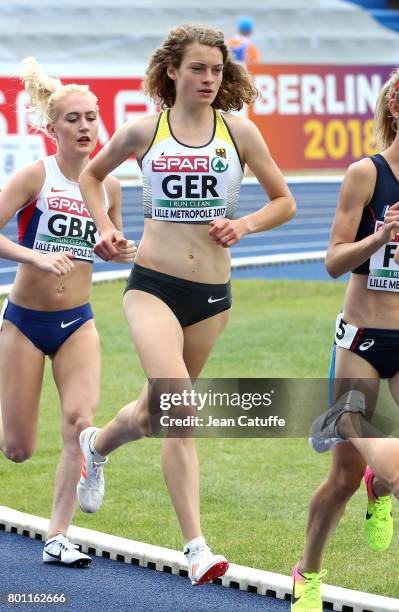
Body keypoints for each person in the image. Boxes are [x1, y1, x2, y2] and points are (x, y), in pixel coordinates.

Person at [77, 23, 296, 586]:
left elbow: (285, 201)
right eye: (197, 68)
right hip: (152, 286)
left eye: (217, 70)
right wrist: (104, 227)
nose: (208, 79)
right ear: (172, 70)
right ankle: (196, 546)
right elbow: (92, 175)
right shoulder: (143, 131)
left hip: (213, 300)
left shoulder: (239, 133)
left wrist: (243, 223)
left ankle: (97, 445)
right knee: (181, 409)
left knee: (155, 414)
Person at [0, 57, 135, 567]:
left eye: (91, 117)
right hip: (25, 323)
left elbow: (110, 244)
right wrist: (32, 255)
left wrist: (118, 250)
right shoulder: (36, 176)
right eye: (73, 119)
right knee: (17, 449)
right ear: (52, 127)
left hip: (78, 321)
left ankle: (58, 536)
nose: (85, 127)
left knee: (80, 423)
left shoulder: (110, 186)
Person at [291, 69, 399, 612]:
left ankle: (387, 480)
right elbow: (332, 261)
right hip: (362, 339)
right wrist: (377, 237)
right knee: (343, 479)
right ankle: (307, 574)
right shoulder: (367, 174)